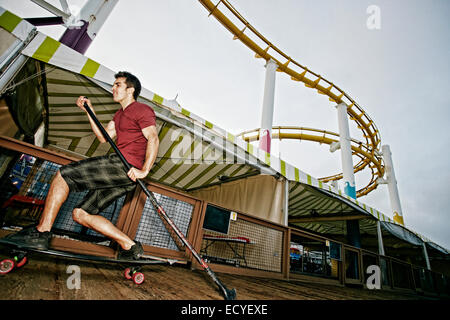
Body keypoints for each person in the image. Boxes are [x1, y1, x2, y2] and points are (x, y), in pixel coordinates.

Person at [3, 71, 159, 260]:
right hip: (125, 177)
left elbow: (153, 138)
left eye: (118, 84)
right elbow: (103, 138)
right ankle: (130, 246)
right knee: (81, 214)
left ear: (130, 90)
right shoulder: (119, 115)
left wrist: (144, 171)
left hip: (123, 166)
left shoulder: (141, 109)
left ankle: (42, 232)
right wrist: (89, 111)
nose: (113, 88)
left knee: (63, 175)